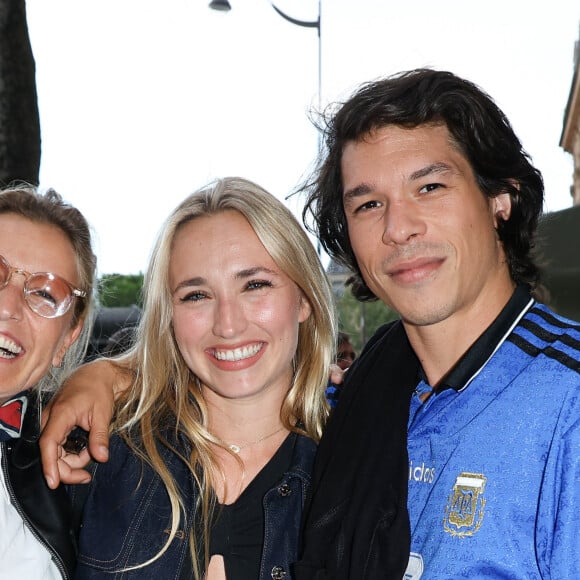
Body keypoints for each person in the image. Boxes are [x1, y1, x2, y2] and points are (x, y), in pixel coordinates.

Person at [293, 68, 579, 579]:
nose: (398, 227)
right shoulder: (349, 401)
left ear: (500, 198)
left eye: (429, 186)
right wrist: (117, 377)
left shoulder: (568, 405)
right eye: (369, 203)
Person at [42, 177, 336, 579]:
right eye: (196, 295)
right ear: (169, 316)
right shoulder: (93, 455)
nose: (228, 325)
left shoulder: (351, 473)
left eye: (255, 285)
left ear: (303, 298)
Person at [0, 185, 96, 579]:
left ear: (66, 341)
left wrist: (111, 374)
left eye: (43, 293)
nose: (7, 307)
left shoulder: (71, 475)